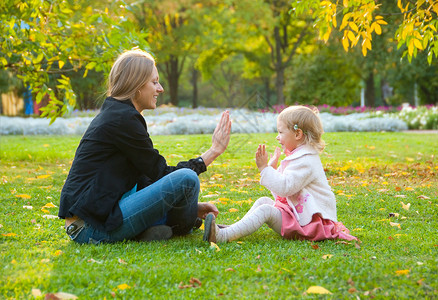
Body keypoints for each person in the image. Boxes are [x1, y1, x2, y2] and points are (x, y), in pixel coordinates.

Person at [58, 49, 231, 244]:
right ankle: (181, 223)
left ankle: (163, 225)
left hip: (95, 219)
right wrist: (212, 152)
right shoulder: (122, 118)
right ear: (137, 85)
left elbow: (145, 179)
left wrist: (190, 203)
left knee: (182, 182)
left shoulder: (119, 114)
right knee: (187, 179)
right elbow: (163, 173)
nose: (161, 89)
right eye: (154, 82)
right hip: (91, 228)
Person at [203, 105, 357, 243]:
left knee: (266, 211)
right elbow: (281, 193)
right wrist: (273, 169)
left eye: (281, 132)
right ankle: (235, 229)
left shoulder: (306, 161)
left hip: (308, 224)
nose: (277, 137)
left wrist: (265, 169)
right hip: (296, 215)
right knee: (264, 201)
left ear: (297, 134)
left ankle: (223, 236)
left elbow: (284, 188)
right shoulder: (300, 156)